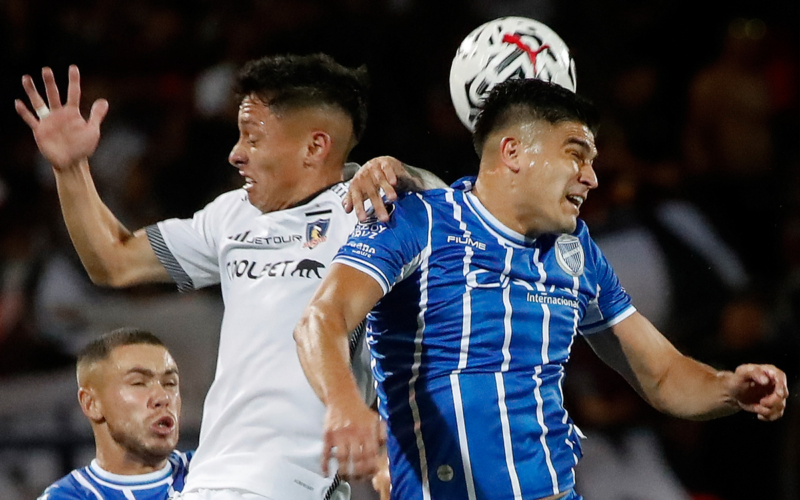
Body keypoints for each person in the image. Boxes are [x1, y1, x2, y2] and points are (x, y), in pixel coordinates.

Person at [293, 78, 789, 500]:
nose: (592, 177)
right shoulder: (415, 220)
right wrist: (345, 407)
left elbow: (660, 375)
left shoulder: (575, 251)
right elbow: (322, 319)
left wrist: (729, 388)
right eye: (576, 155)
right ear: (513, 152)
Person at [16, 54, 445, 500]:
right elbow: (114, 261)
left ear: (315, 147)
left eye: (253, 138)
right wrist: (70, 169)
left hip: (296, 483)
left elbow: (460, 213)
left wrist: (403, 171)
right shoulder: (231, 214)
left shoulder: (369, 211)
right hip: (206, 479)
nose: (235, 153)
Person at [37, 327, 190, 500]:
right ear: (91, 403)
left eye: (170, 383)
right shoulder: (67, 497)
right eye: (139, 383)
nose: (163, 397)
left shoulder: (210, 469)